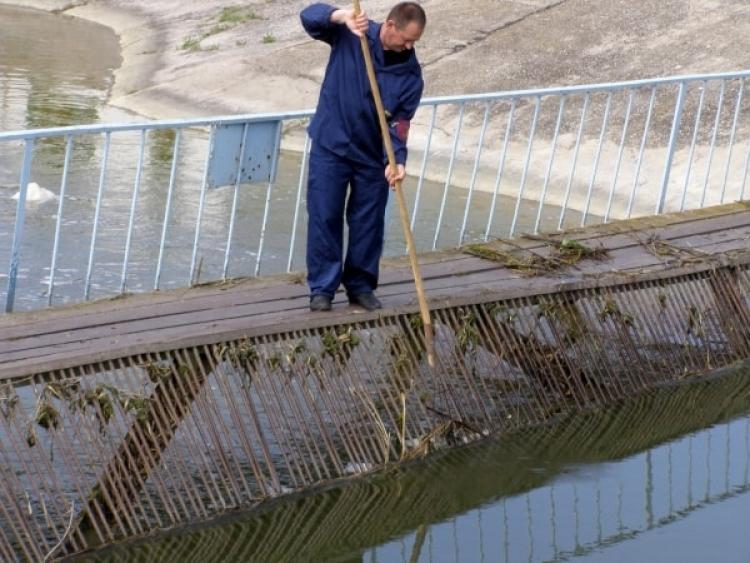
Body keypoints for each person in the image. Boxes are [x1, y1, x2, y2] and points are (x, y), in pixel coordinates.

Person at [300, 2, 426, 311]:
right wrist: (339, 15)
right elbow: (309, 18)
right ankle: (322, 288)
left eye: (415, 42)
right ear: (391, 26)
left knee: (368, 222)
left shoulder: (411, 75)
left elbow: (399, 124)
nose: (409, 46)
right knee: (324, 215)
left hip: (371, 155)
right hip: (332, 145)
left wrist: (396, 161)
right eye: (407, 39)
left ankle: (360, 285)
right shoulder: (353, 33)